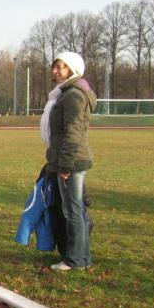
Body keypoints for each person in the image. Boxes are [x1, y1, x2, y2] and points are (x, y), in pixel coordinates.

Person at [42, 51, 96, 271]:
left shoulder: (73, 95)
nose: (55, 71)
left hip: (71, 161)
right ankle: (82, 258)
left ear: (72, 69)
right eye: (54, 66)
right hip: (68, 159)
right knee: (77, 210)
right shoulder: (66, 93)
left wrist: (64, 165)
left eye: (61, 67)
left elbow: (72, 133)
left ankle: (74, 260)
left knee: (72, 211)